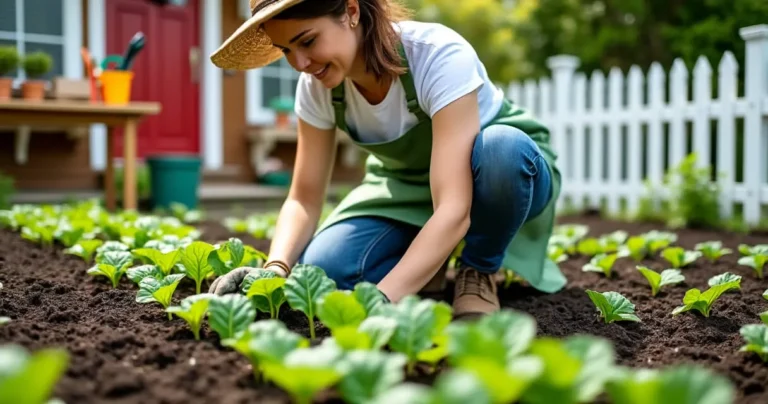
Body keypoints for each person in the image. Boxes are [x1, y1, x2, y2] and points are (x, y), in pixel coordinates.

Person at [207, 0, 566, 319]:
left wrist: (383, 298)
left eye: (307, 41)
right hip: (405, 185)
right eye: (285, 49)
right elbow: (303, 197)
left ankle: (479, 270)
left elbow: (454, 207)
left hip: (496, 177)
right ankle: (429, 267)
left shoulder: (437, 54)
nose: (299, 64)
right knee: (327, 268)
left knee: (502, 150)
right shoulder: (316, 87)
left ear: (350, 11)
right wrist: (276, 268)